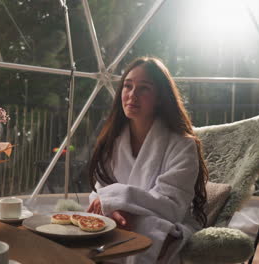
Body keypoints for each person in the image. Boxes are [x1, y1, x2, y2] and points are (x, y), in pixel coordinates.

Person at [87, 56, 208, 264]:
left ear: (160, 97)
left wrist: (116, 201)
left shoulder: (182, 145)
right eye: (128, 86)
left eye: (144, 88)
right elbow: (98, 195)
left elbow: (171, 206)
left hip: (164, 224)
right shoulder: (113, 141)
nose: (132, 95)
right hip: (117, 218)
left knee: (149, 228)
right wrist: (114, 210)